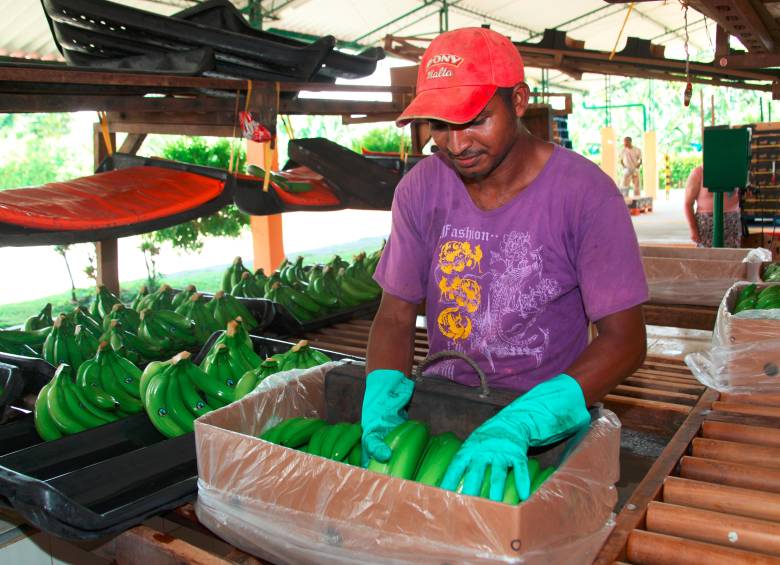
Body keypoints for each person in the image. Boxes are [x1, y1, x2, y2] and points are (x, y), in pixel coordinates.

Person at [360, 27, 648, 503]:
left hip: (546, 423)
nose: (456, 144)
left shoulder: (585, 195)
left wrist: (524, 421)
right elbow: (394, 316)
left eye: (475, 120)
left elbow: (626, 341)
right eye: (439, 125)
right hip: (444, 407)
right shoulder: (420, 190)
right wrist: (382, 396)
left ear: (518, 100)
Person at [684, 164, 742, 248]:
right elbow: (688, 204)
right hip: (707, 222)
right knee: (707, 255)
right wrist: (693, 229)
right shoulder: (698, 172)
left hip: (732, 222)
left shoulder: (735, 170)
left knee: (731, 254)